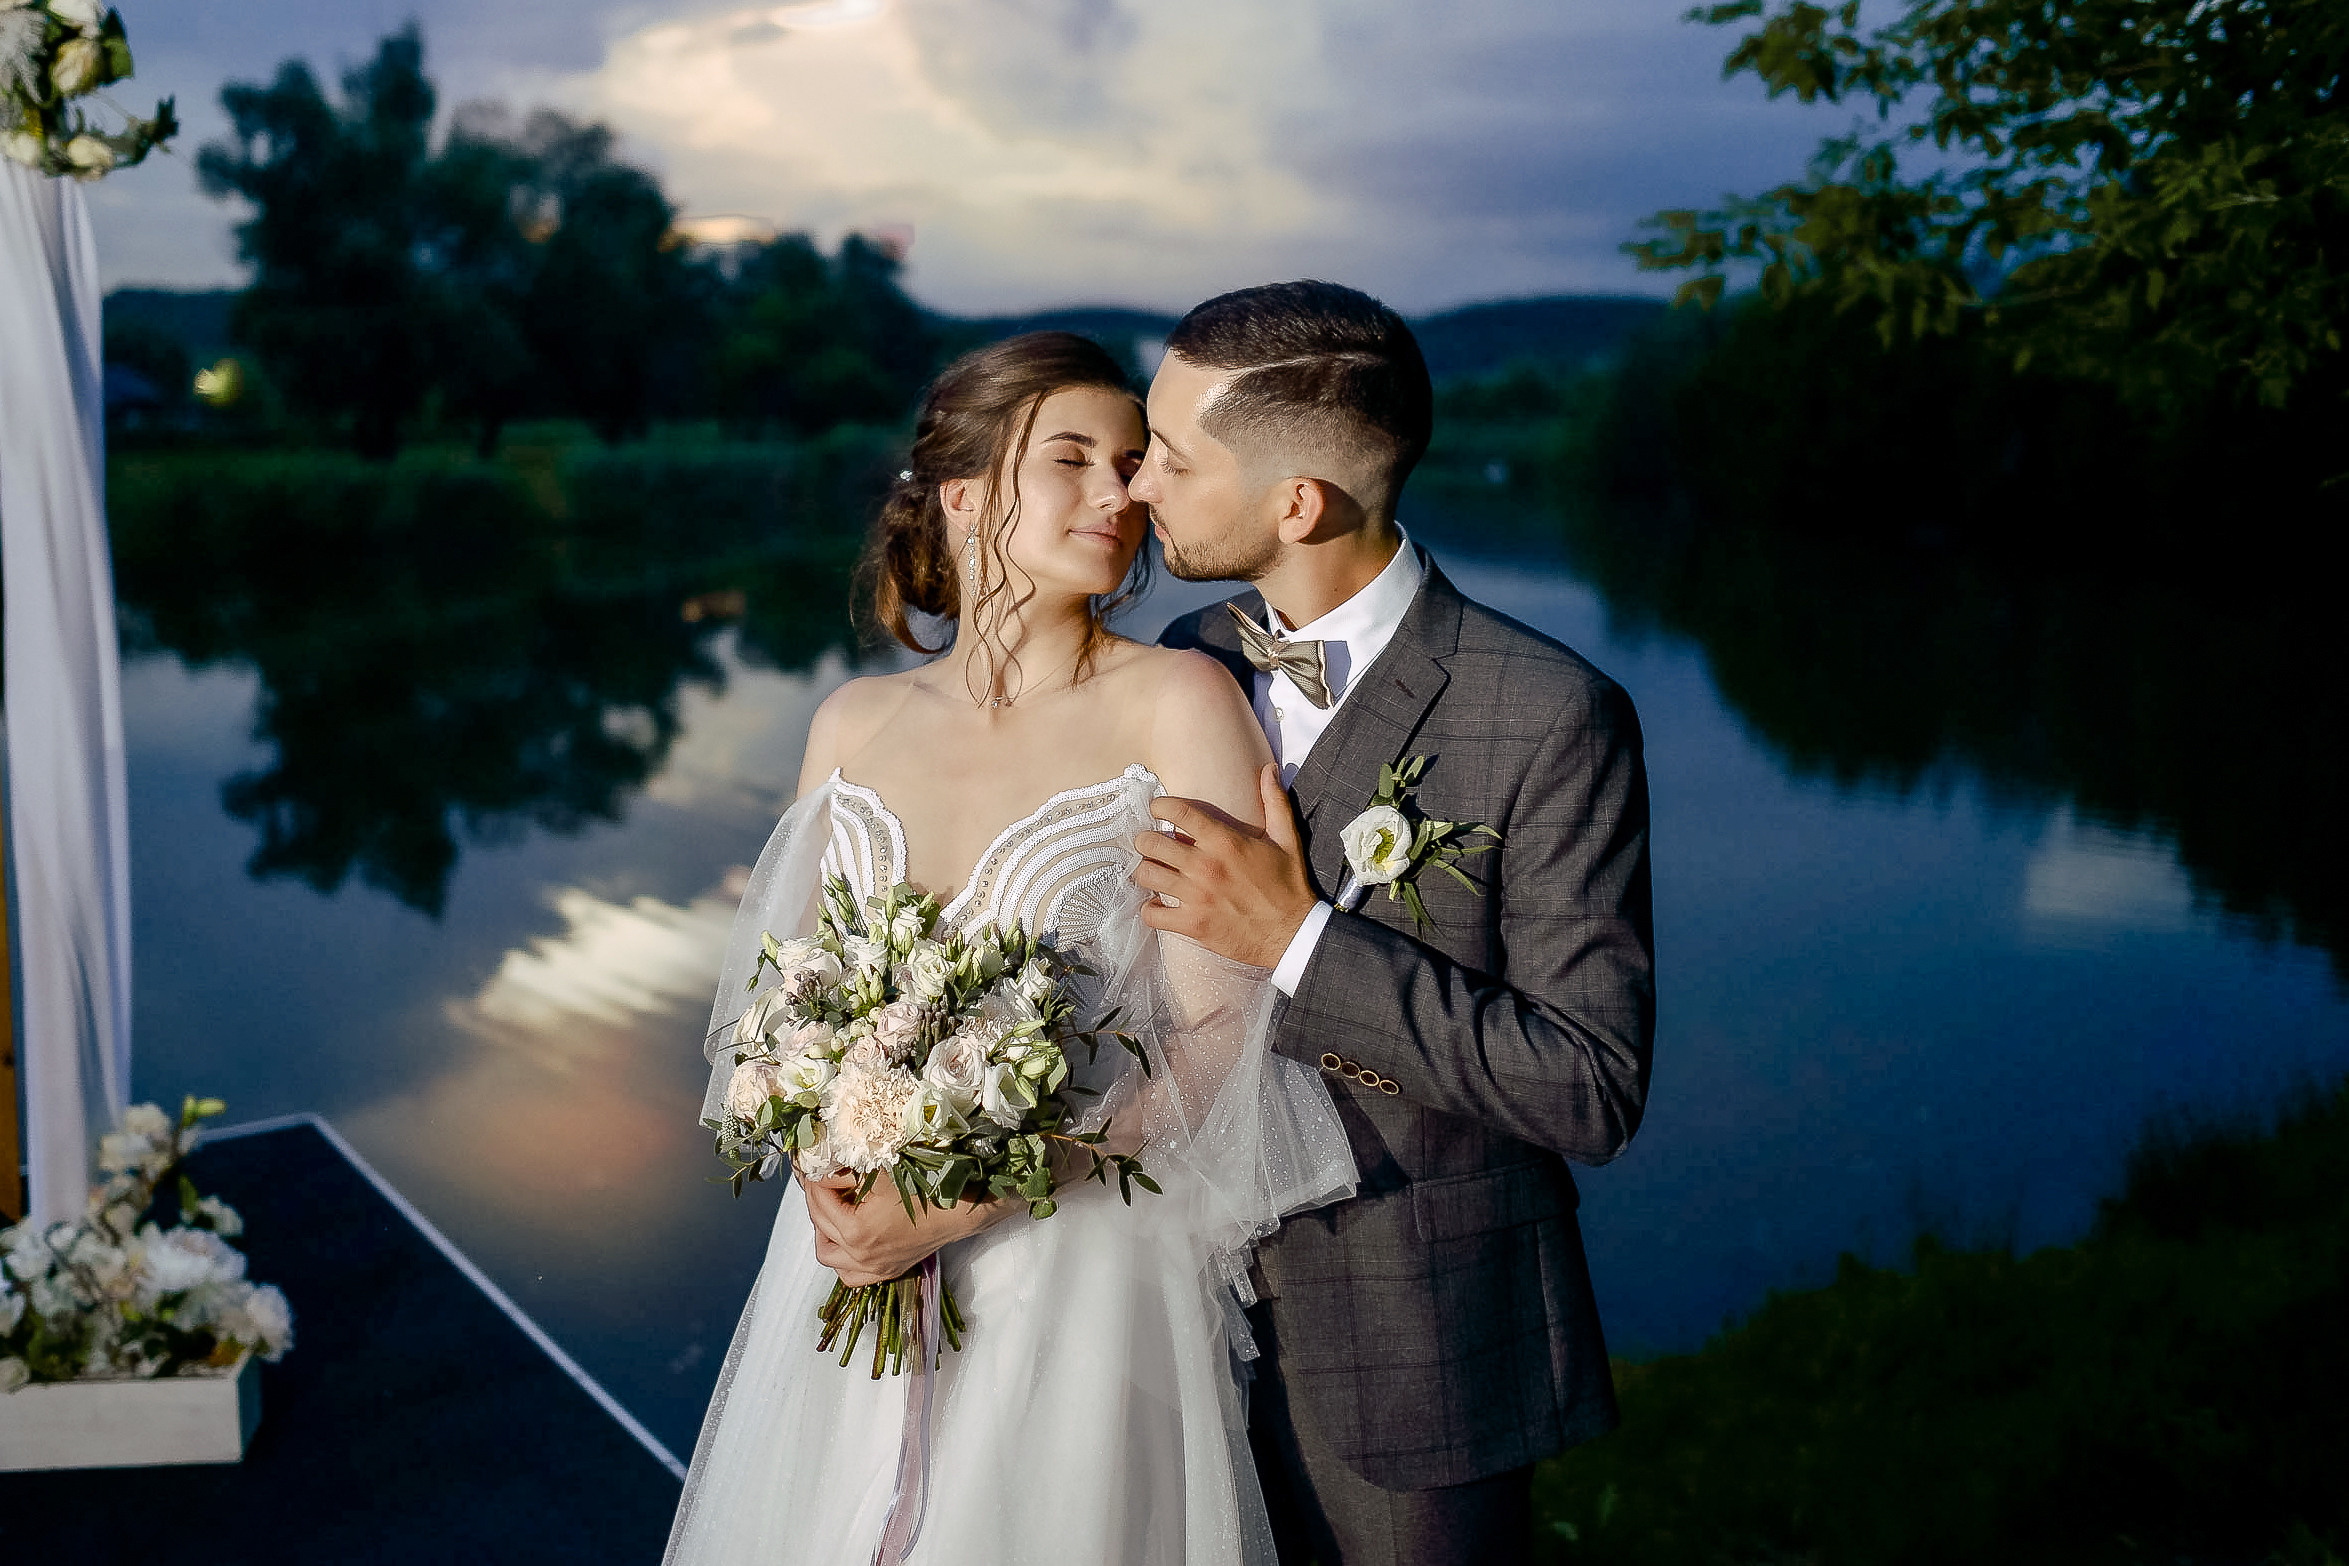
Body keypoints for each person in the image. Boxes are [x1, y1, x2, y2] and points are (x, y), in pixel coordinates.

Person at [663, 331, 1357, 1566]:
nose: (1119, 495)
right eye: (1072, 459)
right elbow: (791, 1005)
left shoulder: (1178, 701)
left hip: (1073, 1265)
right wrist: (837, 1166)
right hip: (854, 1255)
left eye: (1133, 464)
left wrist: (963, 1200)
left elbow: (1222, 1028)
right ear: (966, 493)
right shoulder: (851, 721)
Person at [1132, 281, 1656, 1566]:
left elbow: (1590, 1087)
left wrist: (1299, 945)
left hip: (1419, 1345)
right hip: (1167, 1314)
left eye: (1173, 459)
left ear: (1297, 504)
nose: (1138, 486)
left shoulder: (1549, 715)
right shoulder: (1189, 656)